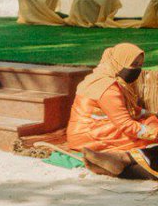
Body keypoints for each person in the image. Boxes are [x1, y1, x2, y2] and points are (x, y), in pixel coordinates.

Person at [66, 43, 158, 179]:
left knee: (150, 122)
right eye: (133, 64)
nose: (137, 69)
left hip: (89, 132)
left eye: (139, 65)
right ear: (119, 62)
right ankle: (122, 159)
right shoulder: (108, 87)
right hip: (92, 135)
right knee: (149, 131)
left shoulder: (107, 79)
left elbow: (129, 110)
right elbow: (126, 124)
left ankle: (121, 161)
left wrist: (150, 115)